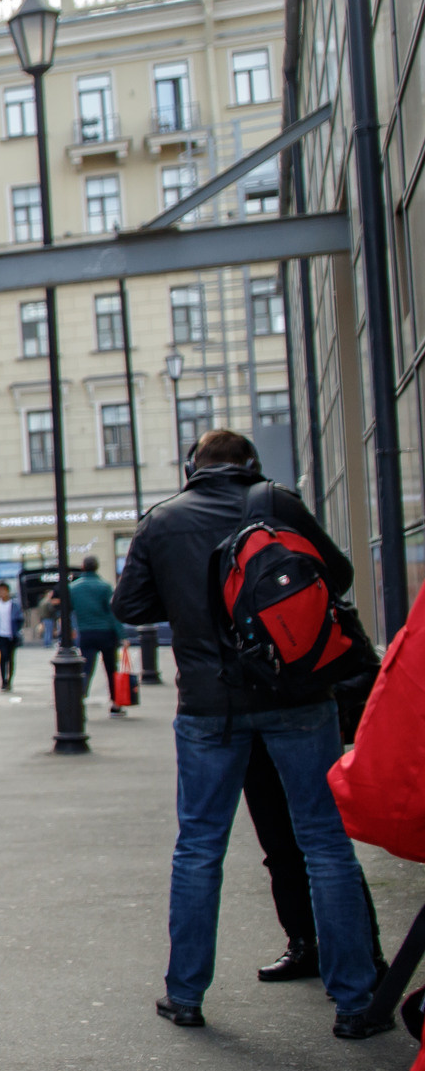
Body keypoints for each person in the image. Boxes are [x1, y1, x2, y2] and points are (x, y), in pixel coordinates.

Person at [111, 428, 382, 1037]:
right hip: (297, 694)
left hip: (210, 707)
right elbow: (334, 575)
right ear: (250, 464)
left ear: (192, 467)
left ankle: (185, 995)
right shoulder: (277, 502)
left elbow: (129, 607)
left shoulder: (162, 521)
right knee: (326, 845)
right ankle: (356, 1002)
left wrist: (194, 604)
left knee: (200, 848)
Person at [239, 735, 386, 984]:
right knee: (279, 842)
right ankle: (304, 945)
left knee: (326, 848)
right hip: (249, 718)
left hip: (302, 712)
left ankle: (364, 958)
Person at [67, 554, 124, 713]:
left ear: (83, 567)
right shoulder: (104, 587)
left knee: (86, 669)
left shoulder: (74, 588)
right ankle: (115, 704)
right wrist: (122, 635)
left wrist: (71, 629)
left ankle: (80, 701)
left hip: (86, 633)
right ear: (97, 567)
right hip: (106, 632)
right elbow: (112, 612)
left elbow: (69, 611)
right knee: (111, 669)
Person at [0, 581, 24, 693]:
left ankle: (9, 680)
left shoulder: (14, 605)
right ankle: (3, 681)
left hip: (12, 635)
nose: (2, 593)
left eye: (4, 590)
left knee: (10, 658)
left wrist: (16, 629)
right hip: (0, 634)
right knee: (3, 657)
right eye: (0, 591)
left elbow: (20, 619)